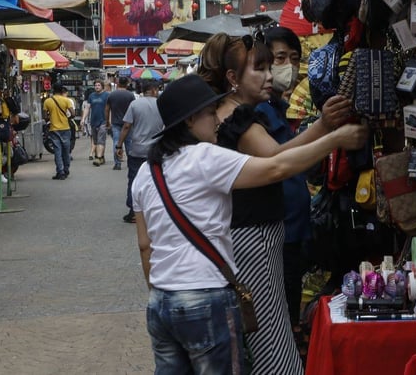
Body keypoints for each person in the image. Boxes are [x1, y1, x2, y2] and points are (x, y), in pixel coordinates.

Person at [131, 74, 367, 374]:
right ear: (191, 120)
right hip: (204, 297)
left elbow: (144, 246)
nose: (217, 120)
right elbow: (276, 167)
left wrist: (162, 291)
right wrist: (333, 139)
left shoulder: (146, 172)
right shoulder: (204, 157)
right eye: (210, 113)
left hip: (161, 303)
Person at [197, 31, 354, 374]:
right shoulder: (237, 117)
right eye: (261, 68)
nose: (271, 76)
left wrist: (325, 127)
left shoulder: (230, 113)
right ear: (233, 78)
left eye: (273, 65)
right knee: (272, 339)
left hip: (248, 237)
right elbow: (279, 162)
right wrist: (332, 133)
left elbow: (281, 155)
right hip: (252, 240)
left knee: (262, 329)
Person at [258, 26, 310, 355]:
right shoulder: (257, 113)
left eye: (293, 58)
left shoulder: (279, 107)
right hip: (279, 231)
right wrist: (329, 132)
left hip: (293, 229)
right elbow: (279, 161)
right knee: (282, 316)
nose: (287, 66)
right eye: (279, 58)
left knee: (290, 305)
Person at [117, 79, 163, 223]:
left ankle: (133, 212)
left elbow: (126, 126)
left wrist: (119, 145)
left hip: (137, 149)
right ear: (155, 90)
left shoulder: (135, 104)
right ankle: (155, 211)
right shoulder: (162, 105)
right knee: (156, 180)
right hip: (157, 150)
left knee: (134, 180)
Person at [42, 83, 74, 180]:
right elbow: (73, 114)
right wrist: (66, 118)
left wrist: (51, 117)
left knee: (57, 151)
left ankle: (60, 172)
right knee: (66, 150)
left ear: (53, 90)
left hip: (54, 129)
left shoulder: (47, 101)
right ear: (62, 91)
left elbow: (45, 116)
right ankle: (66, 169)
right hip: (65, 128)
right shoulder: (66, 100)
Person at [105, 76, 136, 169]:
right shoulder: (130, 95)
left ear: (118, 83)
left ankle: (117, 163)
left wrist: (107, 121)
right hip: (128, 123)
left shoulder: (111, 95)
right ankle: (131, 163)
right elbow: (134, 108)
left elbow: (107, 109)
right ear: (127, 84)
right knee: (129, 143)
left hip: (116, 123)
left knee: (116, 142)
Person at [86, 80, 110, 166]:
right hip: (93, 121)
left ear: (102, 86)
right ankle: (101, 157)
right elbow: (87, 108)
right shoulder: (91, 96)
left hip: (103, 121)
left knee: (101, 140)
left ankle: (98, 158)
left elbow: (110, 109)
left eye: (99, 85)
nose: (97, 87)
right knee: (95, 141)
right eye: (95, 85)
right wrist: (83, 119)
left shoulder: (107, 95)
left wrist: (109, 120)